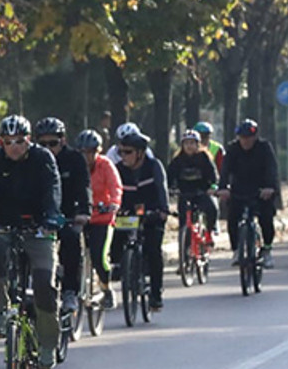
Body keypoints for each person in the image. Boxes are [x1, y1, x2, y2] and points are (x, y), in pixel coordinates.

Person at [0, 115, 64, 369]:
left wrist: (52, 218)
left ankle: (47, 345)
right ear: (0, 142)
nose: (14, 147)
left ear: (29, 140)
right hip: (5, 225)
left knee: (45, 283)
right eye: (8, 141)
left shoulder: (43, 158)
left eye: (20, 141)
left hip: (39, 227)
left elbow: (52, 189)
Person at [35, 117, 90, 315]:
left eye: (53, 143)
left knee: (72, 240)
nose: (48, 148)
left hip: (68, 213)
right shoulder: (33, 159)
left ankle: (70, 291)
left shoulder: (75, 159)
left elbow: (84, 187)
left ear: (63, 141)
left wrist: (84, 211)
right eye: (43, 144)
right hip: (40, 216)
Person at [113, 131, 169, 309]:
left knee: (153, 250)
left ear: (140, 153)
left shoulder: (154, 167)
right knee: (115, 239)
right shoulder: (118, 169)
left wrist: (163, 210)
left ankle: (156, 293)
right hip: (128, 215)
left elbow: (162, 190)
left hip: (152, 215)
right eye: (121, 152)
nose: (123, 156)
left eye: (128, 152)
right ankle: (121, 269)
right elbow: (113, 191)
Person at [217, 119, 280, 269]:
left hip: (261, 189)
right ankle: (236, 249)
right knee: (232, 217)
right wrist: (223, 188)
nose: (246, 141)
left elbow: (272, 169)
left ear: (255, 137)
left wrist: (270, 188)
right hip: (239, 189)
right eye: (242, 137)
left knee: (266, 217)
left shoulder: (264, 148)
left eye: (249, 137)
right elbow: (225, 170)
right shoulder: (233, 149)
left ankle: (267, 250)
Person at [79, 129, 122, 309]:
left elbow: (115, 187)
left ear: (98, 151)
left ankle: (106, 289)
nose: (87, 157)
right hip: (81, 217)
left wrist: (113, 203)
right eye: (84, 152)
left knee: (99, 256)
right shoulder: (76, 167)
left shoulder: (106, 165)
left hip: (102, 218)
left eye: (91, 152)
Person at [168, 129, 219, 233]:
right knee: (183, 218)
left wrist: (212, 187)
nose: (189, 146)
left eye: (192, 143)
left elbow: (213, 174)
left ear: (198, 144)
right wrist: (170, 189)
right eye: (186, 143)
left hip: (201, 192)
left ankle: (210, 232)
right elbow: (170, 176)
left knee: (212, 209)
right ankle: (183, 240)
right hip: (184, 193)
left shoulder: (204, 158)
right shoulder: (177, 160)